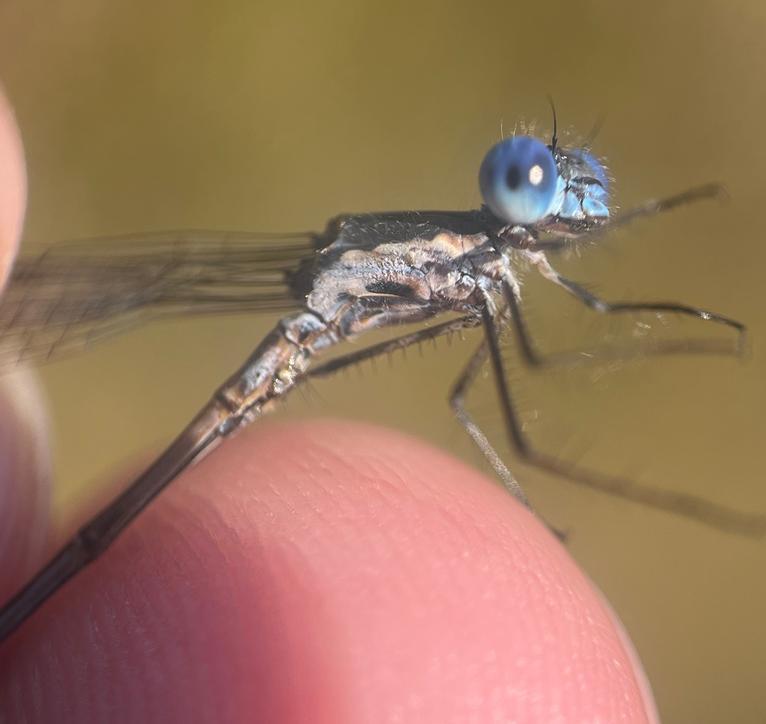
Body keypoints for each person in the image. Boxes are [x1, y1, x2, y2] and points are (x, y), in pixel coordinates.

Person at [0, 87, 658, 723]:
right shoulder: (471, 265)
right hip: (303, 324)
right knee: (95, 550)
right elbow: (524, 381)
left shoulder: (487, 262)